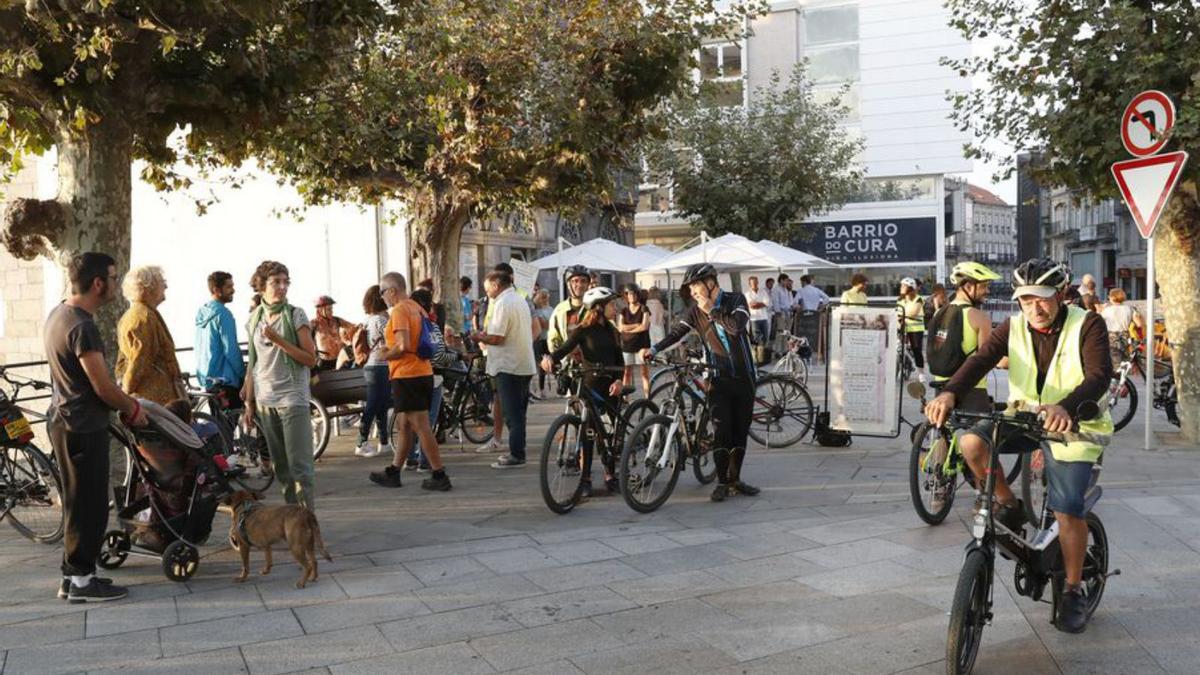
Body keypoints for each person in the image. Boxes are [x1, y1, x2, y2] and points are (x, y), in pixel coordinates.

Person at [925, 258, 1113, 634]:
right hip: (1024, 417)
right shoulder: (1012, 327)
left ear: (1060, 295)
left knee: (1067, 509)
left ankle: (1073, 589)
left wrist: (1068, 407)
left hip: (1075, 424)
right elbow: (979, 360)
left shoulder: (1088, 324)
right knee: (972, 443)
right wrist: (949, 393)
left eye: (1041, 299)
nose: (1034, 308)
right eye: (1025, 300)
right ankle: (1008, 503)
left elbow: (1099, 375)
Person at [45, 252, 149, 603]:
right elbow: (103, 386)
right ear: (98, 283)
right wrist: (133, 408)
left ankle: (73, 576)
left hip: (63, 420)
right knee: (89, 504)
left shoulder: (59, 314)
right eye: (114, 277)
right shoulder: (83, 327)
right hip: (82, 424)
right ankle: (82, 582)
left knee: (78, 501)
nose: (117, 285)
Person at [640, 263, 760, 502]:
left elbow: (736, 328)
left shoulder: (736, 300)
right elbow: (677, 333)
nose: (693, 291)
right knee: (721, 431)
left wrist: (712, 311)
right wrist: (653, 348)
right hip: (717, 378)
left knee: (739, 432)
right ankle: (723, 483)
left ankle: (736, 480)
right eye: (691, 287)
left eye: (696, 285)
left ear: (711, 282)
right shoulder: (695, 312)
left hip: (745, 378)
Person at [241, 261, 320, 510]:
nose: (283, 287)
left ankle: (307, 524)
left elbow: (310, 358)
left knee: (300, 467)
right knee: (281, 468)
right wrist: (249, 402)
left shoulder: (296, 315)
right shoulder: (254, 319)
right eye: (276, 282)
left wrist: (278, 340)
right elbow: (253, 363)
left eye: (286, 282)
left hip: (292, 398)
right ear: (262, 285)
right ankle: (293, 520)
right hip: (265, 399)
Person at [368, 272, 452, 490]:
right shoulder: (418, 308)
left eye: (383, 292)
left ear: (392, 290)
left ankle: (439, 474)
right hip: (422, 371)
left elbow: (404, 345)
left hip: (408, 374)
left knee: (421, 425)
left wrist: (385, 354)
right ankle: (394, 471)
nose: (382, 297)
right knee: (404, 424)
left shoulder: (400, 310)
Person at [542, 287, 627, 496]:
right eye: (611, 305)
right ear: (598, 307)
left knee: (607, 433)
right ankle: (586, 478)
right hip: (589, 385)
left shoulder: (613, 330)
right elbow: (562, 349)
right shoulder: (582, 330)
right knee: (588, 433)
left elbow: (620, 361)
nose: (615, 309)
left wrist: (618, 381)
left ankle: (610, 473)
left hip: (610, 387)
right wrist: (549, 358)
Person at [472, 270, 537, 469]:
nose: (486, 292)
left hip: (509, 365)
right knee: (519, 412)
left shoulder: (502, 303)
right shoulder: (519, 300)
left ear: (496, 284)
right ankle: (519, 450)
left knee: (512, 414)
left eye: (487, 287)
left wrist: (479, 336)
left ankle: (516, 454)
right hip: (523, 364)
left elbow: (497, 338)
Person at [115, 266, 185, 405]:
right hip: (152, 399)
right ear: (148, 287)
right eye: (161, 282)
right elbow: (140, 359)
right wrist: (126, 391)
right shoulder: (143, 318)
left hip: (152, 398)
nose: (166, 286)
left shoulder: (142, 313)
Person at [408, 287, 448, 472]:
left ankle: (409, 458)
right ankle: (425, 461)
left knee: (409, 421)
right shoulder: (430, 325)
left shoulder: (406, 322)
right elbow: (439, 355)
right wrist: (456, 357)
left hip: (407, 376)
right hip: (431, 377)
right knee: (427, 422)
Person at [355, 285, 392, 458]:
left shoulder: (369, 319)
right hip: (380, 366)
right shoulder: (381, 321)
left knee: (380, 405)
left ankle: (383, 442)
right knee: (374, 404)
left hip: (371, 365)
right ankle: (361, 442)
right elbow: (392, 341)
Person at [195, 271, 246, 392]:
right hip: (226, 380)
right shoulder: (223, 314)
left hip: (207, 379)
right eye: (229, 287)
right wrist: (243, 375)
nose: (233, 290)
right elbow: (231, 349)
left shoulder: (202, 313)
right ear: (216, 289)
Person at [617, 284, 652, 396]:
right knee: (627, 373)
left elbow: (644, 326)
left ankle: (647, 396)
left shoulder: (644, 309)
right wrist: (636, 325)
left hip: (642, 344)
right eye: (629, 294)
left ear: (637, 295)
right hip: (627, 345)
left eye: (633, 294)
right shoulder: (624, 311)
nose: (631, 296)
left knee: (644, 373)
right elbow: (620, 327)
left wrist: (628, 329)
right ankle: (626, 398)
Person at [1099, 287, 1144, 368]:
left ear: (1113, 297)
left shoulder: (1107, 310)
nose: (1108, 297)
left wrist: (1100, 309)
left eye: (1109, 296)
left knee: (1115, 363)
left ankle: (1117, 379)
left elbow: (1099, 322)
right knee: (1125, 363)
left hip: (1111, 337)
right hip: (1125, 337)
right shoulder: (1130, 309)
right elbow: (1139, 324)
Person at [896, 277, 926, 378]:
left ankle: (921, 373)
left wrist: (901, 316)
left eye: (903, 286)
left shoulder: (918, 299)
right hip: (902, 328)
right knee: (899, 349)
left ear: (909, 288)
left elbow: (913, 313)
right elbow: (896, 314)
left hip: (915, 329)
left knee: (916, 350)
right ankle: (902, 367)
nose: (901, 287)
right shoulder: (900, 300)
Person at [312, 296, 351, 371]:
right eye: (329, 309)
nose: (332, 311)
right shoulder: (314, 324)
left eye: (332, 309)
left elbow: (353, 327)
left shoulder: (337, 320)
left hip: (339, 361)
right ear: (320, 310)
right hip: (323, 362)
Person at [531, 289, 554, 398]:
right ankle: (541, 389)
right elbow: (544, 325)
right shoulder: (537, 311)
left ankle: (559, 387)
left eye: (546, 296)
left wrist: (547, 324)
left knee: (552, 363)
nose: (545, 299)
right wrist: (547, 324)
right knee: (541, 366)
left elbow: (552, 325)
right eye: (543, 297)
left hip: (549, 339)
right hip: (539, 340)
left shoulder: (551, 309)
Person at [743, 276, 772, 360]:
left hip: (764, 317)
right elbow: (751, 305)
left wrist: (757, 304)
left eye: (756, 282)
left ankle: (762, 356)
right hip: (754, 319)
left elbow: (767, 303)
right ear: (749, 284)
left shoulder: (763, 292)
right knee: (757, 338)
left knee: (765, 337)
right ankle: (758, 357)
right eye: (753, 283)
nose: (755, 284)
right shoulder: (747, 294)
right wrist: (761, 304)